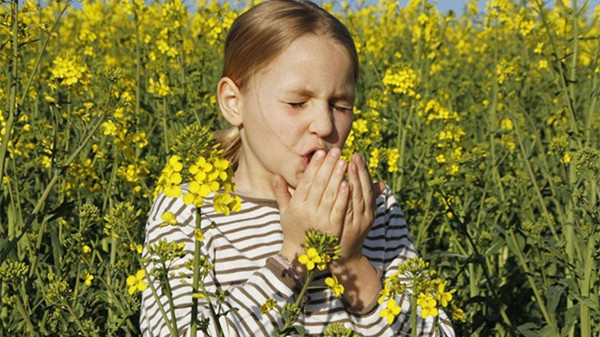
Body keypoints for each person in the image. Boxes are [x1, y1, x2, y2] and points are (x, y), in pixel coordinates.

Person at [140, 0, 455, 336]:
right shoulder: (190, 209)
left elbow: (436, 331)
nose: (324, 124)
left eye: (340, 104)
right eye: (297, 103)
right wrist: (294, 256)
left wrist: (351, 262)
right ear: (234, 103)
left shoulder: (373, 209)